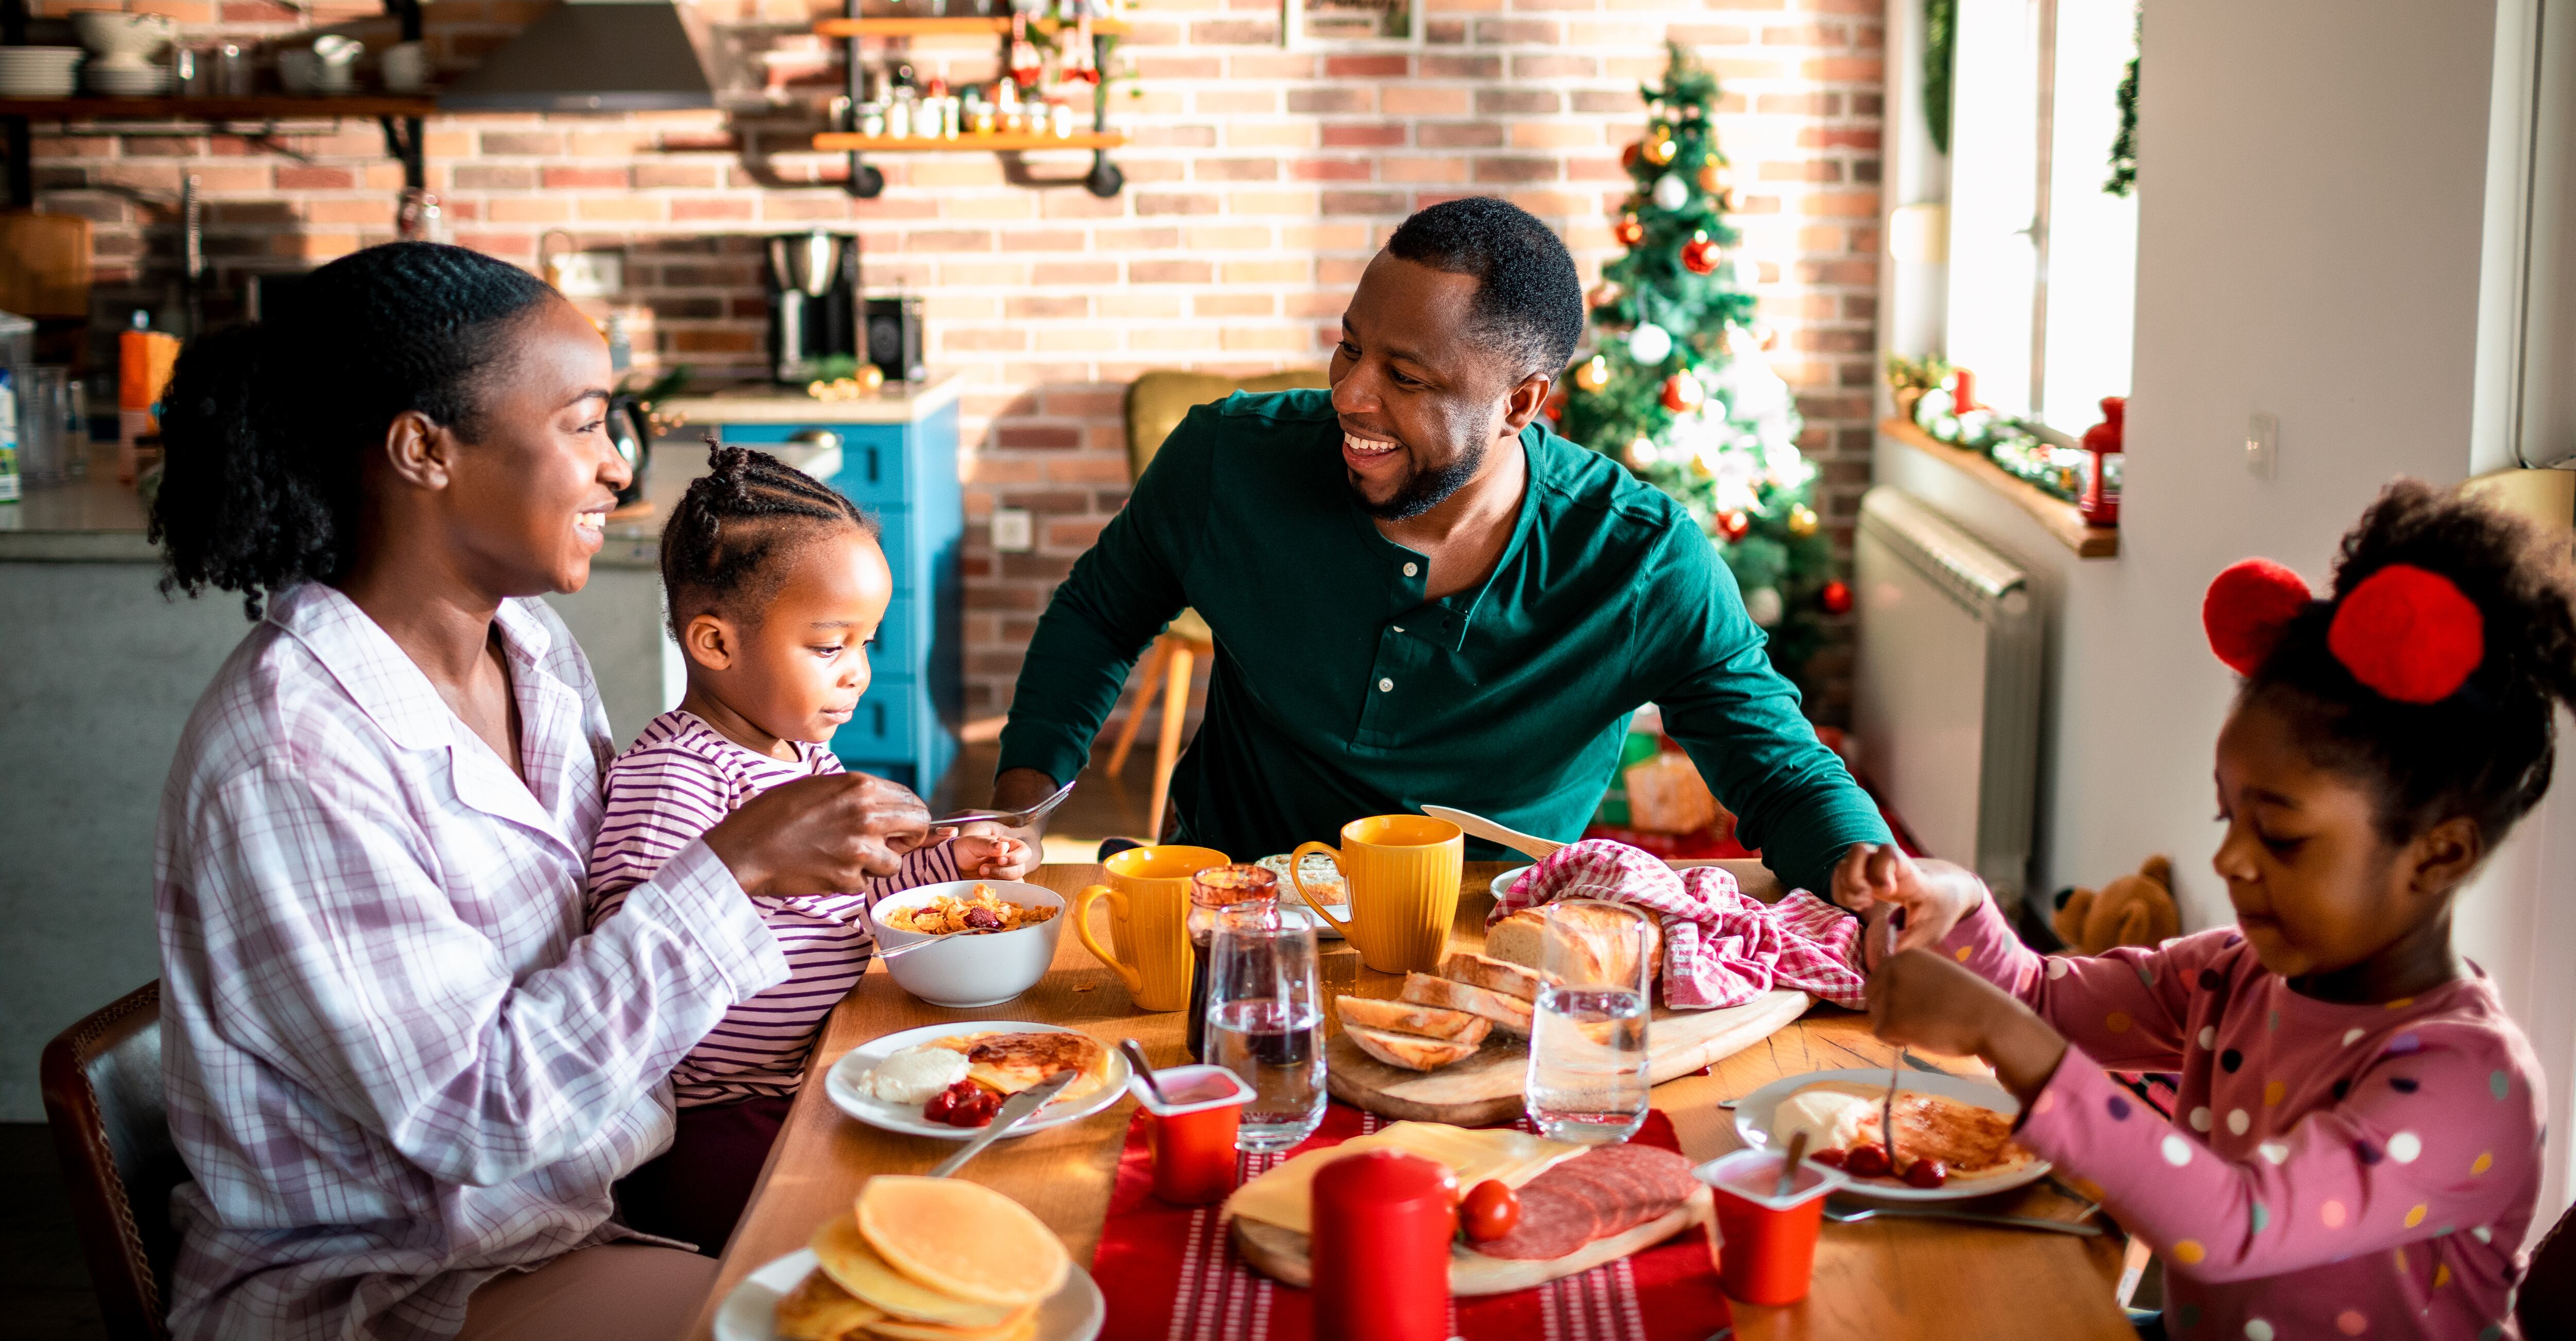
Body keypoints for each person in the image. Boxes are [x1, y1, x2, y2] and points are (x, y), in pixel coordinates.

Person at [149, 244, 934, 1341]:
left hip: (587, 1208)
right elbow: (476, 1113)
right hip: (409, 1281)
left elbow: (612, 923)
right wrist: (735, 865)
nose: (619, 469)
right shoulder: (294, 753)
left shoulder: (534, 652)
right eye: (584, 423)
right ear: (425, 448)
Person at [988, 196, 1890, 902]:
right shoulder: (1227, 459)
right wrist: (1019, 812)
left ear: (1522, 403)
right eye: (1349, 348)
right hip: (1235, 904)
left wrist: (1873, 873)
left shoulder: (1641, 559)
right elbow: (1098, 617)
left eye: (1406, 377)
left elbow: (1777, 766)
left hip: (1490, 931)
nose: (1350, 394)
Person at [1856, 480, 2561, 1339]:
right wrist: (1961, 903)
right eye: (2229, 818)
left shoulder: (2467, 1083)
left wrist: (2003, 1037)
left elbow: (2236, 1220)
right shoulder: (2236, 975)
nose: (2229, 859)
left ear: (2439, 853)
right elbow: (2041, 999)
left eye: (2283, 837)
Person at [590, 443, 1031, 1254]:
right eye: (830, 647)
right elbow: (634, 956)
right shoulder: (674, 775)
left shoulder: (800, 754)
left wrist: (948, 863)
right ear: (716, 644)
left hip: (812, 1066)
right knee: (864, 1236)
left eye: (867, 643)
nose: (857, 674)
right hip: (714, 1119)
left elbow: (855, 890)